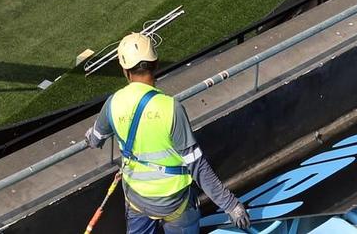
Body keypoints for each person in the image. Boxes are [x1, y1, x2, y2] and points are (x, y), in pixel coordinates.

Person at [85, 32, 250, 231]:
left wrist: (92, 134)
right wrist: (231, 206)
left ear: (125, 70)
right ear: (155, 65)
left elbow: (95, 140)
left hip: (137, 200)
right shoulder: (171, 108)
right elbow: (197, 166)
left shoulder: (113, 104)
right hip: (175, 204)